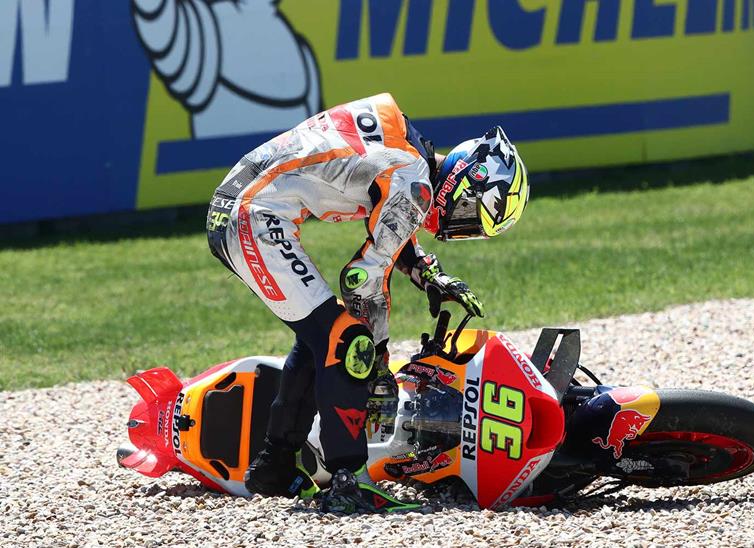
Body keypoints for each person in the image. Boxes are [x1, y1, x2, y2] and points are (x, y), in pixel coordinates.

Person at [206, 93, 529, 513]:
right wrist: (378, 359)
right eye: (470, 212)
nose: (460, 226)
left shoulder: (410, 153)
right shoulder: (414, 179)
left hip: (241, 205)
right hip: (253, 215)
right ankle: (348, 481)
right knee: (350, 343)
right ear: (466, 179)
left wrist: (426, 272)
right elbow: (360, 279)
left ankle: (273, 467)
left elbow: (390, 219)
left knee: (321, 337)